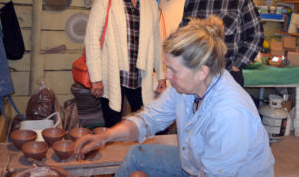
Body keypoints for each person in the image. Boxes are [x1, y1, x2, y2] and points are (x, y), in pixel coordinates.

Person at [76, 16, 274, 177]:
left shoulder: (229, 114)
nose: (167, 76)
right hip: (196, 163)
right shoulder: (186, 86)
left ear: (202, 71)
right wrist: (105, 137)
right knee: (137, 156)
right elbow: (149, 119)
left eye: (172, 70)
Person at [84, 0, 166, 128]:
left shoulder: (151, 5)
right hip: (113, 74)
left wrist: (161, 75)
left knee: (146, 123)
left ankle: (140, 155)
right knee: (113, 125)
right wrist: (96, 77)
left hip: (140, 76)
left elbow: (157, 41)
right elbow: (92, 40)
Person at [180, 0, 264, 86]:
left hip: (229, 74)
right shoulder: (192, 0)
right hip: (197, 76)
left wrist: (237, 65)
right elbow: (183, 37)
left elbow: (256, 34)